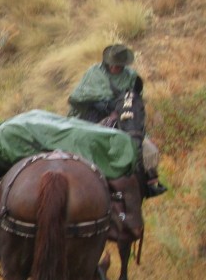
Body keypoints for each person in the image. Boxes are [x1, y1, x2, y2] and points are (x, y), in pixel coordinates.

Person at [68, 43, 166, 197]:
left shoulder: (131, 76)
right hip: (94, 116)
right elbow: (78, 98)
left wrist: (122, 107)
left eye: (119, 65)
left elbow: (135, 99)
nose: (116, 68)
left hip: (124, 116)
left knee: (148, 149)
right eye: (114, 65)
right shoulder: (94, 73)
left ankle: (150, 182)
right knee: (80, 145)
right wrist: (103, 105)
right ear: (107, 62)